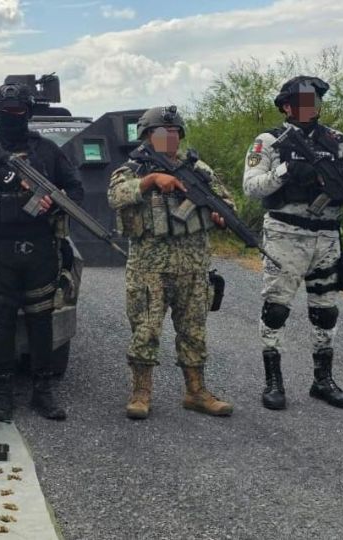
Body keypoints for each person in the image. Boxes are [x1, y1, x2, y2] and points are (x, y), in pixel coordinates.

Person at [0, 83, 84, 422]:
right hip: (0, 249)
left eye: (19, 111)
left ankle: (43, 391)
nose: (13, 117)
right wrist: (0, 176)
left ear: (29, 113)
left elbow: (75, 190)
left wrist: (52, 202)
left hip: (41, 248)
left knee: (41, 321)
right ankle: (3, 395)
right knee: (3, 323)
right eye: (6, 111)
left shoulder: (47, 150)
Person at [243, 76, 343, 410]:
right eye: (304, 102)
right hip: (285, 234)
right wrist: (285, 170)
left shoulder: (337, 140)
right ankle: (273, 382)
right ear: (287, 106)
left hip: (327, 236)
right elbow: (251, 188)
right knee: (277, 308)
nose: (312, 107)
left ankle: (323, 381)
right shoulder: (269, 141)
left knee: (326, 310)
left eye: (315, 102)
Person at [108, 105, 234, 419]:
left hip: (193, 266)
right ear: (147, 136)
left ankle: (196, 392)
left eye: (175, 132)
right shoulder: (133, 168)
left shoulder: (198, 169)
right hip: (149, 269)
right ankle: (141, 393)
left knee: (194, 331)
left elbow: (226, 201)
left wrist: (222, 215)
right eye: (163, 133)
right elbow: (115, 196)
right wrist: (151, 180)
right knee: (145, 330)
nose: (171, 138)